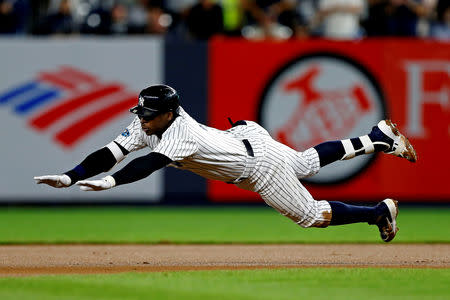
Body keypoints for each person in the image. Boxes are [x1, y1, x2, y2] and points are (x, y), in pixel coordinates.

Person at [34, 84, 417, 242]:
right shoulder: (147, 122)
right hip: (245, 138)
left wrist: (113, 184)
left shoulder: (180, 132)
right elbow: (110, 153)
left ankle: (378, 212)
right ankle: (377, 138)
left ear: (169, 113)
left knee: (312, 216)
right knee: (304, 163)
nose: (142, 118)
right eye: (142, 112)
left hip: (257, 167)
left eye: (149, 113)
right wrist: (72, 177)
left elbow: (149, 163)